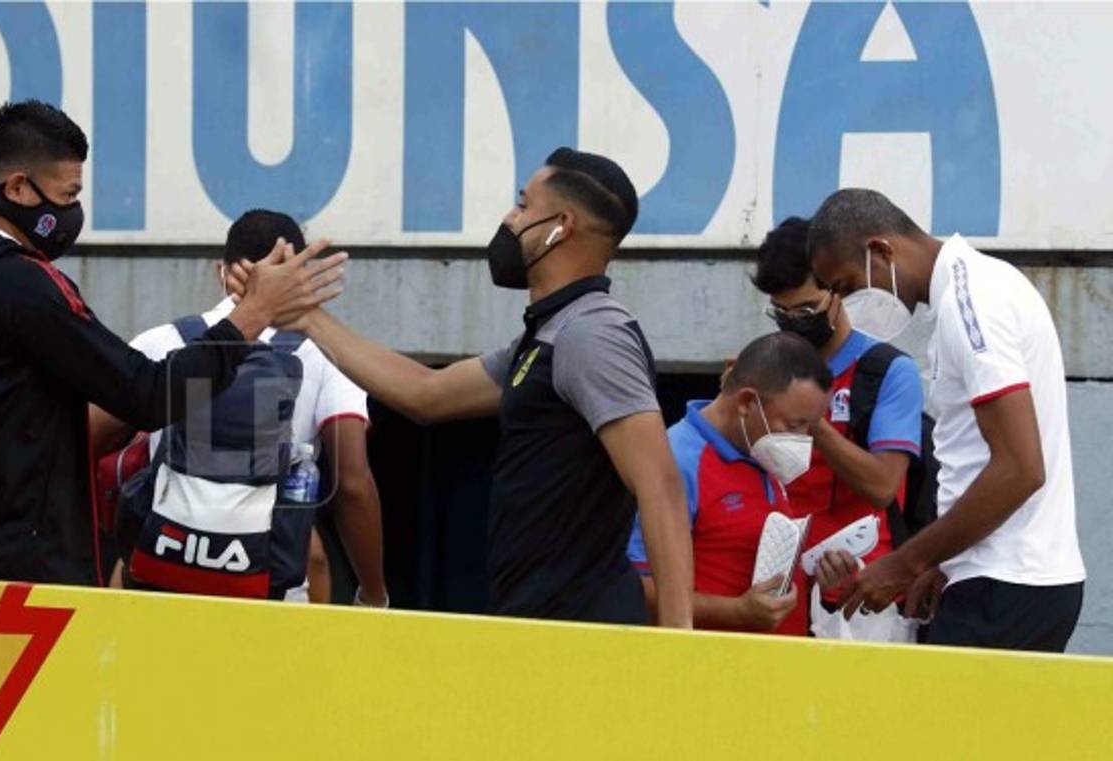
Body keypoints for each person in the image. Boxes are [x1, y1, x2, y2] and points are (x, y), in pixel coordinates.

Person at [227, 148, 693, 627]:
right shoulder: (550, 334)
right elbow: (426, 393)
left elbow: (660, 484)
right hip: (536, 618)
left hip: (579, 628)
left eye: (522, 205)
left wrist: (679, 644)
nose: (509, 219)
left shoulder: (594, 334)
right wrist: (307, 316)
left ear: (561, 225)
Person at [0, 100, 342, 585]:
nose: (72, 212)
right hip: (14, 579)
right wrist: (252, 315)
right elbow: (147, 394)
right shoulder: (21, 283)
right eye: (68, 195)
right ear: (18, 187)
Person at [809, 188, 1085, 652]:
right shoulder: (982, 284)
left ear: (880, 250)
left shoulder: (969, 300)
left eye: (847, 286)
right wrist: (944, 563)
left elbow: (1020, 469)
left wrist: (905, 563)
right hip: (1002, 576)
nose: (845, 306)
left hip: (1005, 584)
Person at [121, 210, 387, 606]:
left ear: (222, 271)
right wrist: (372, 592)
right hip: (268, 592)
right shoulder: (328, 358)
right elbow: (352, 483)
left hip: (161, 584)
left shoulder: (159, 342)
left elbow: (86, 442)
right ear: (300, 278)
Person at [751, 217, 924, 627]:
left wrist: (811, 420)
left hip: (860, 588)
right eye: (782, 312)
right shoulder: (764, 369)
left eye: (808, 309)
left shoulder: (887, 371)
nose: (795, 321)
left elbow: (884, 486)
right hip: (777, 585)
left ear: (838, 291)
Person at [627, 332, 835, 634]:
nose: (803, 439)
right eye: (793, 424)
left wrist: (814, 569)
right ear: (747, 402)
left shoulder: (761, 452)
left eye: (808, 426)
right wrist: (736, 612)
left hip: (770, 669)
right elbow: (635, 588)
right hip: (705, 669)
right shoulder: (676, 461)